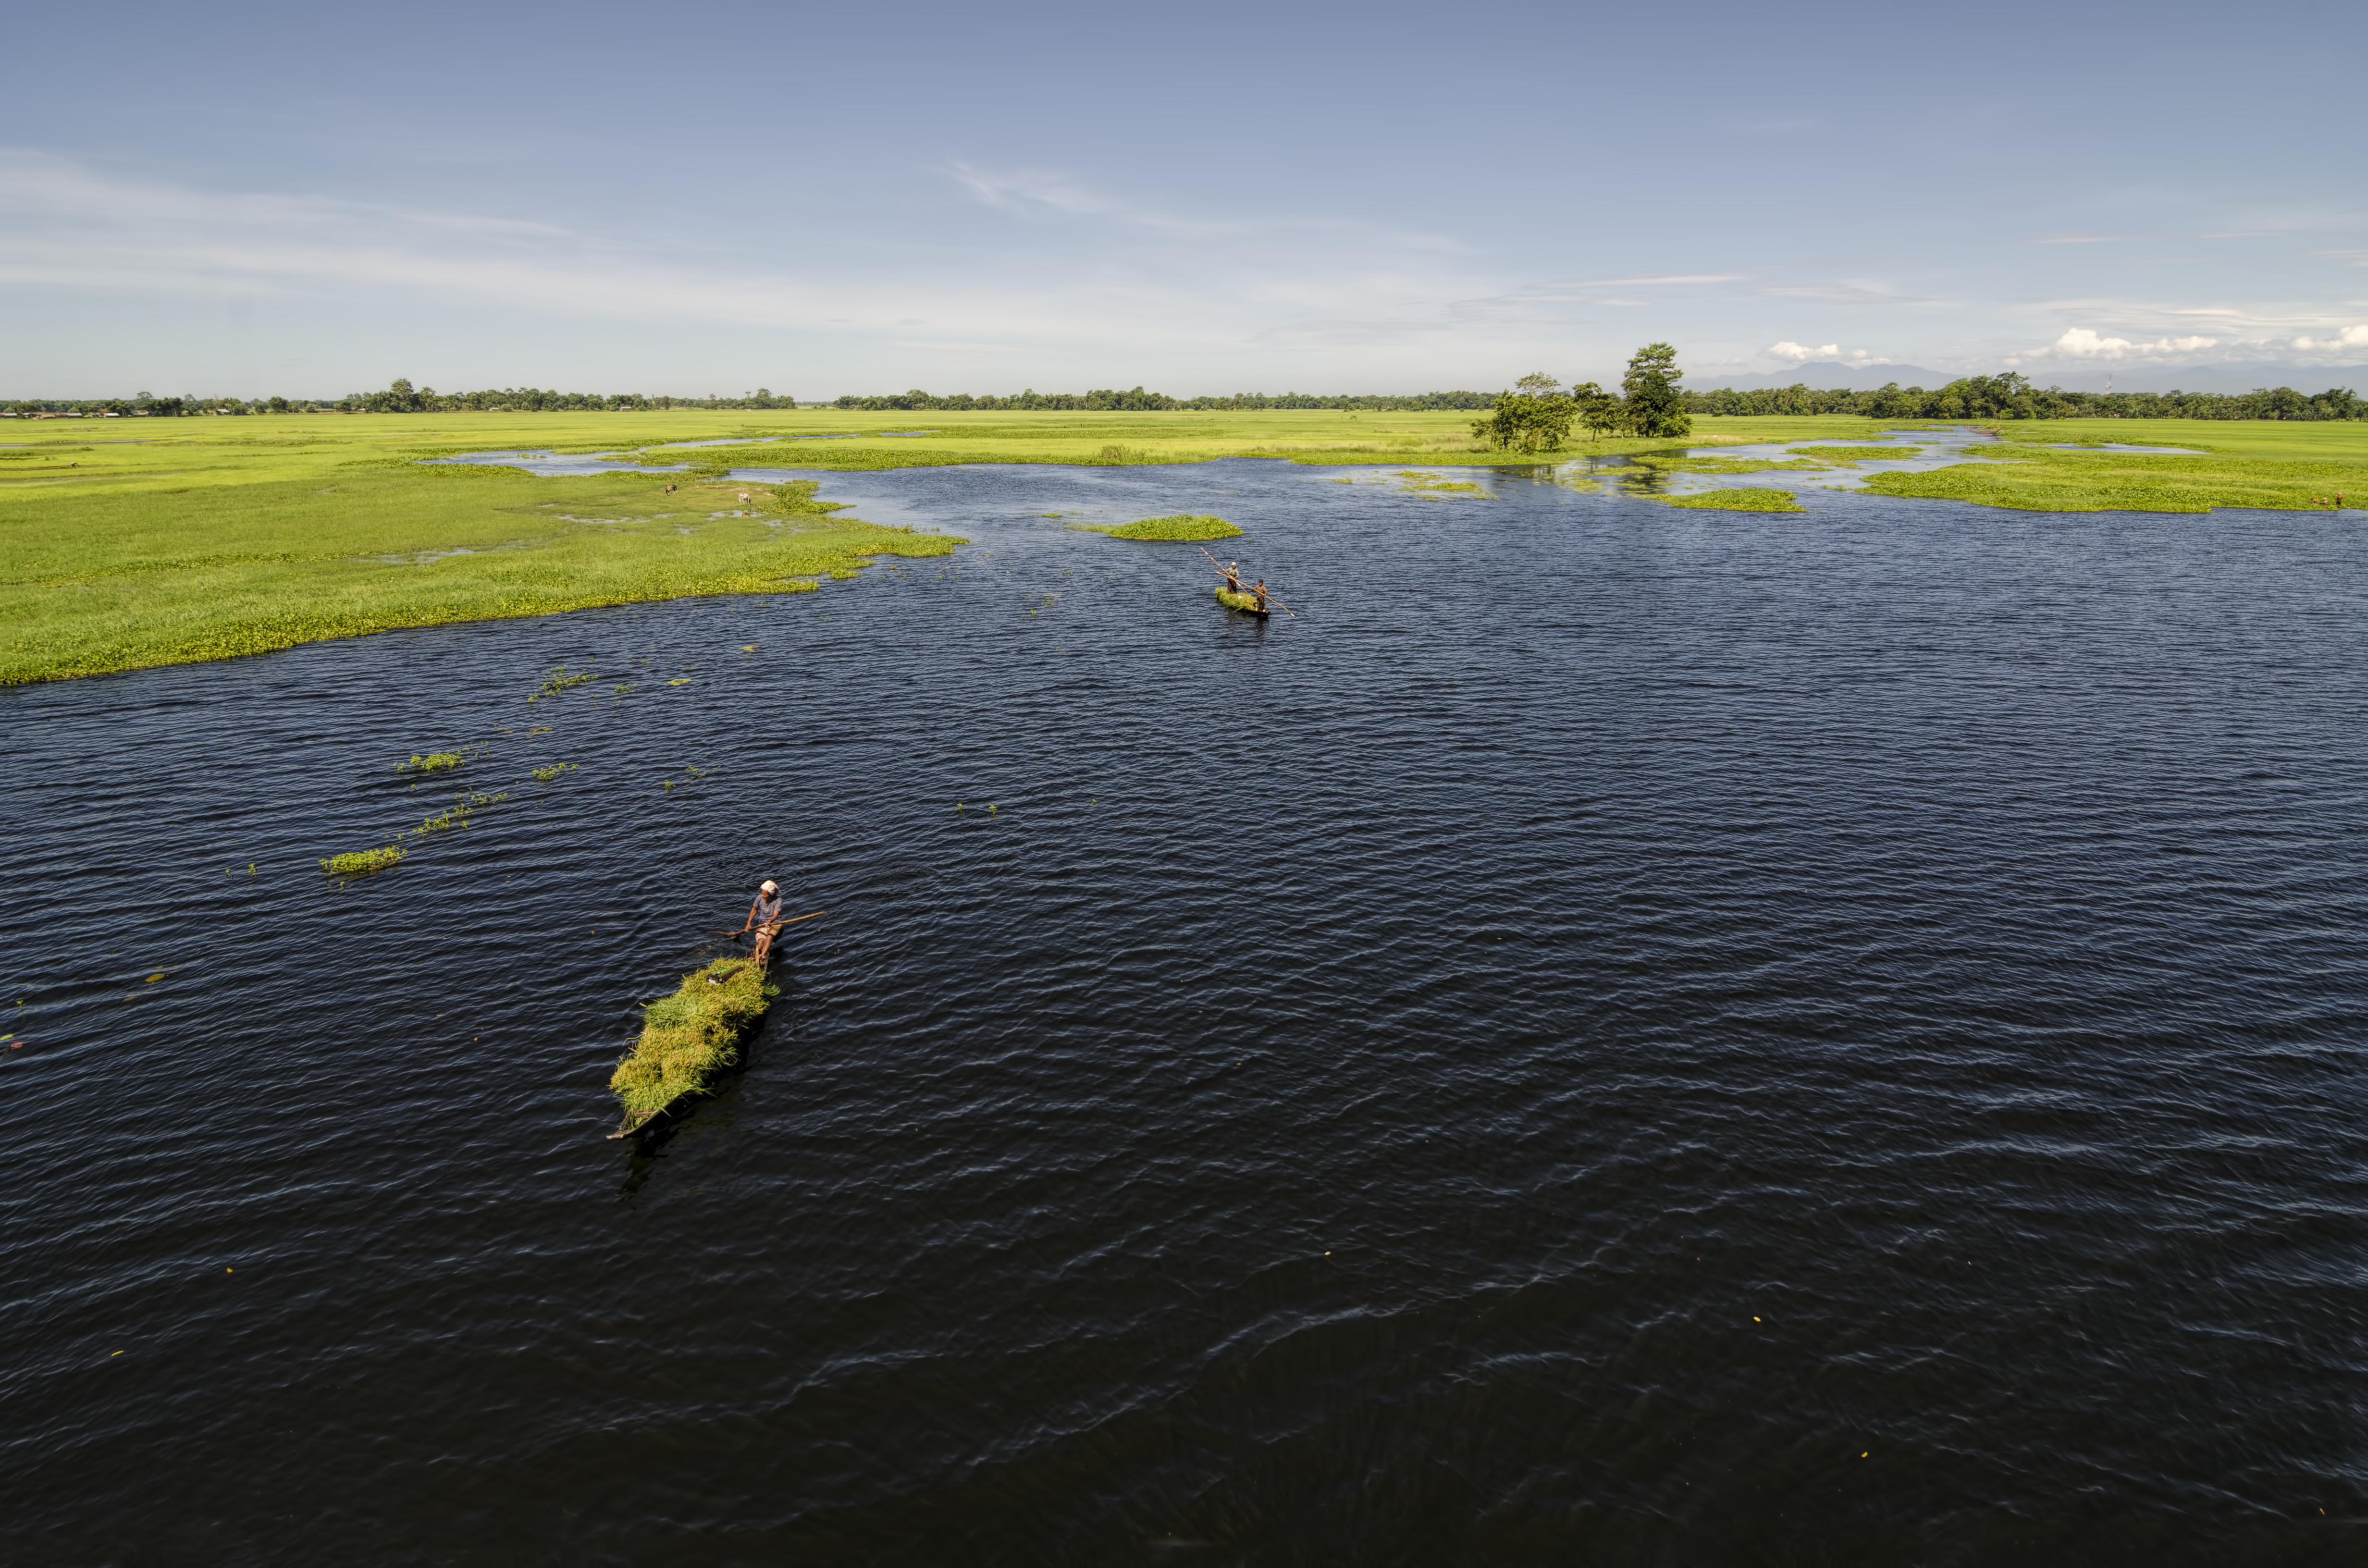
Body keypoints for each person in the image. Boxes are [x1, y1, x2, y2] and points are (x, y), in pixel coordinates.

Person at [747, 879, 783, 965]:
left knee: (770, 937)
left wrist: (770, 921)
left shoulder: (778, 900)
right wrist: (748, 924)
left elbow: (776, 914)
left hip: (776, 923)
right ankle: (756, 953)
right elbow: (754, 909)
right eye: (762, 893)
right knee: (761, 941)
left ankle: (763, 955)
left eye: (765, 894)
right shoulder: (759, 898)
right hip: (762, 924)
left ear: (771, 894)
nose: (763, 896)